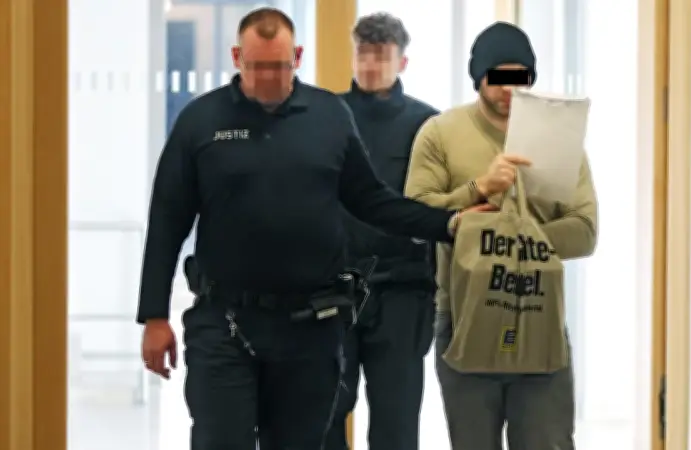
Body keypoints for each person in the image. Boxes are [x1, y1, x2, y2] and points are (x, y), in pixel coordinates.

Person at [136, 8, 487, 450]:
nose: (268, 78)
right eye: (257, 66)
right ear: (237, 58)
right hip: (224, 323)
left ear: (298, 57)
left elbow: (373, 201)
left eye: (279, 66)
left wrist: (448, 223)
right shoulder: (201, 121)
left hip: (308, 330)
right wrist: (154, 315)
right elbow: (167, 219)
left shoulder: (328, 116)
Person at [404, 22, 598, 450]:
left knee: (548, 443)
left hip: (539, 314)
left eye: (519, 77)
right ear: (478, 77)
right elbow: (414, 219)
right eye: (498, 78)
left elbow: (585, 231)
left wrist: (513, 236)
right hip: (464, 317)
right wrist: (479, 189)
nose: (509, 90)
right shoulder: (440, 134)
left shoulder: (560, 140)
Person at [328, 13, 439, 450]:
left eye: (381, 55)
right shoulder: (326, 117)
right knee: (324, 415)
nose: (370, 64)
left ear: (402, 62)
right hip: (333, 289)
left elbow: (437, 207)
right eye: (363, 53)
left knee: (396, 422)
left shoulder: (429, 126)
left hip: (402, 293)